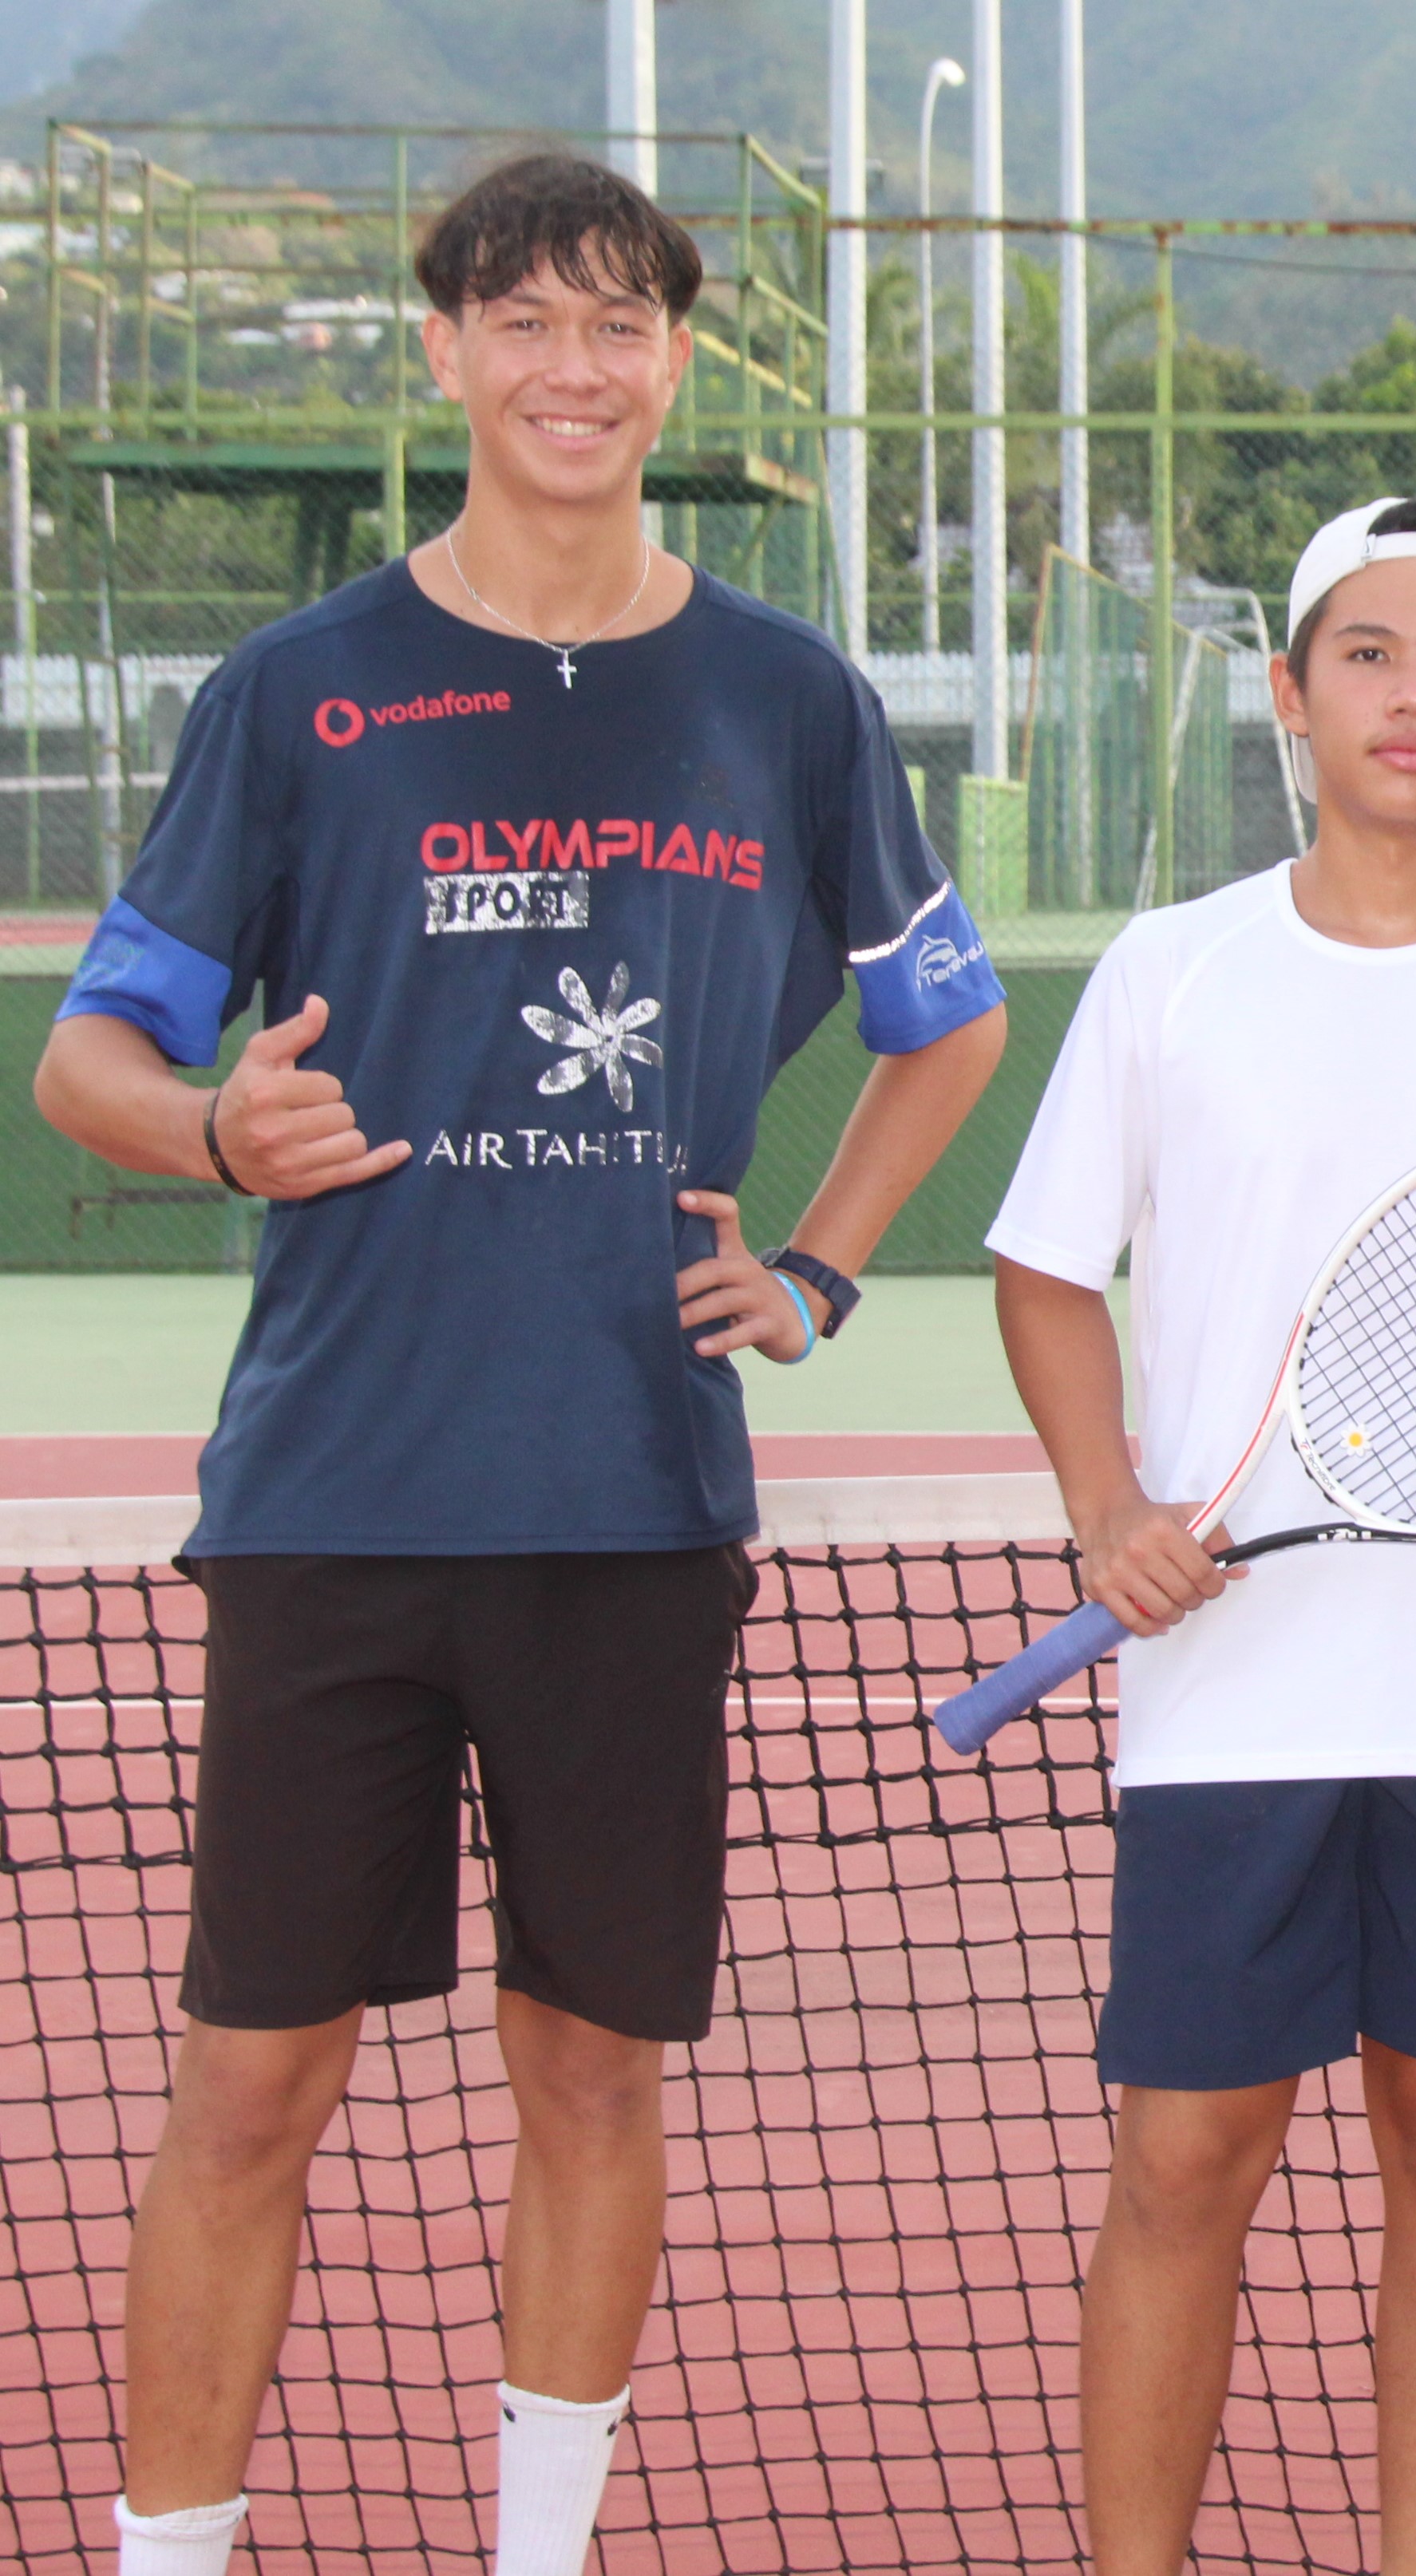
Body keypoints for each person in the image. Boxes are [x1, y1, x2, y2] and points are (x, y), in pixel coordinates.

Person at [32, 155, 1007, 2576]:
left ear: (679, 362)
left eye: (622, 322)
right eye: (524, 320)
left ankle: (537, 2555)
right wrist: (217, 1132)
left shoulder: (784, 695)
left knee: (589, 2069)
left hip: (633, 1501)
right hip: (336, 1499)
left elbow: (945, 1019)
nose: (575, 364)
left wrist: (818, 1270)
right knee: (250, 2081)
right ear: (444, 352)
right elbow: (94, 1056)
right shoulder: (298, 689)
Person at [986, 496, 1416, 2576]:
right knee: (1185, 2154)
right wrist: (1105, 1502)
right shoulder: (1171, 970)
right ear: (1292, 696)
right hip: (1233, 1685)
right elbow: (1045, 1268)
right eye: (1371, 653)